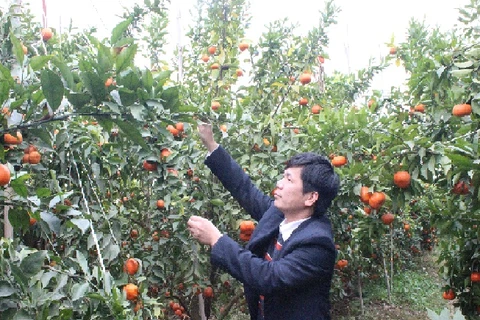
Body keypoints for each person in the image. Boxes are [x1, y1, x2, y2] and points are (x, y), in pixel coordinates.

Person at [187, 123, 340, 320]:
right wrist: (211, 145)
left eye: (289, 180)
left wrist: (217, 240)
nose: (279, 183)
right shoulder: (278, 214)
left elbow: (268, 278)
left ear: (310, 198)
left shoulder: (318, 243)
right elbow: (245, 189)